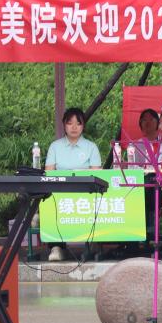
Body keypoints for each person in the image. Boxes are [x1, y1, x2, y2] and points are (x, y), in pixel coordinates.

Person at [44, 108, 102, 261]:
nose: (74, 127)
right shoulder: (55, 147)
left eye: (78, 123)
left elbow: (97, 175)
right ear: (64, 125)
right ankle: (56, 247)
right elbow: (49, 173)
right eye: (70, 123)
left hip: (85, 193)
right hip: (60, 193)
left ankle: (93, 243)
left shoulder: (91, 147)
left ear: (83, 126)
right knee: (49, 201)